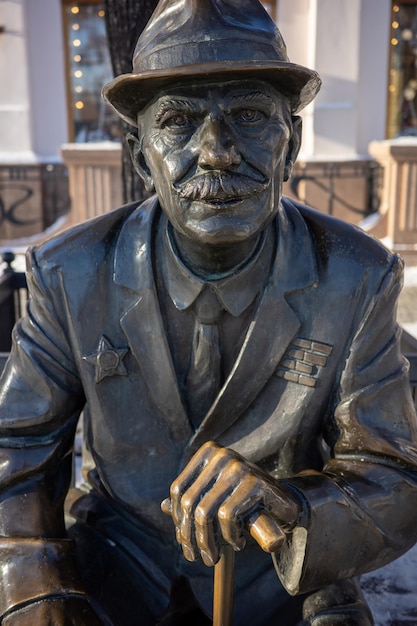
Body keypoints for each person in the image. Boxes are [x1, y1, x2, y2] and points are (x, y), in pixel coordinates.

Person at [1, 0, 417, 624]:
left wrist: (293, 508)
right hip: (116, 567)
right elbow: (16, 452)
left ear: (293, 144)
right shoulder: (69, 273)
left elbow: (394, 477)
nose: (217, 151)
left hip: (285, 580)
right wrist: (36, 589)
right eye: (179, 121)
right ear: (142, 156)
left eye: (249, 116)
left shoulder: (355, 277)